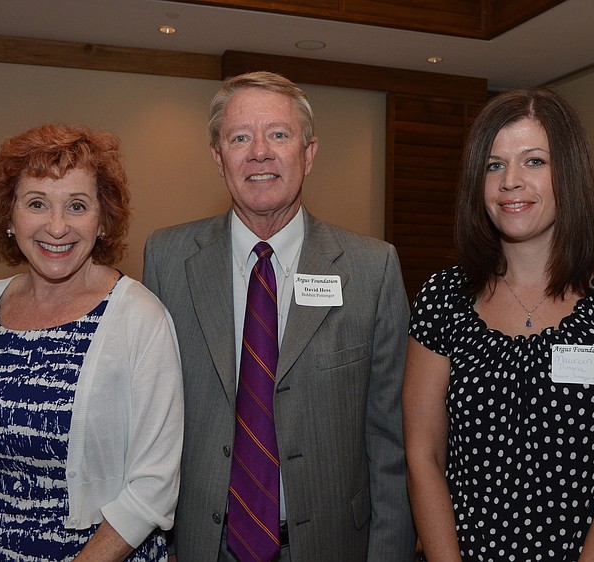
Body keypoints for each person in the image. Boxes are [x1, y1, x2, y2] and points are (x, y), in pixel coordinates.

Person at [143, 71, 415, 562]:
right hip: (204, 546)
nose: (259, 152)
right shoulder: (167, 258)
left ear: (308, 154)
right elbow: (149, 423)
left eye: (279, 134)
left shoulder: (372, 269)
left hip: (332, 547)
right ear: (218, 157)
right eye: (239, 138)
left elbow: (390, 443)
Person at [403, 88, 594, 561]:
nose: (510, 181)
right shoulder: (442, 298)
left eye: (534, 161)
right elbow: (423, 458)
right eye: (494, 165)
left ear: (569, 173)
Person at [0, 123, 184, 561]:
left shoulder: (140, 318)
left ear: (103, 221)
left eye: (77, 205)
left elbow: (154, 486)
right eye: (37, 203)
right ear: (9, 217)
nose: (57, 227)